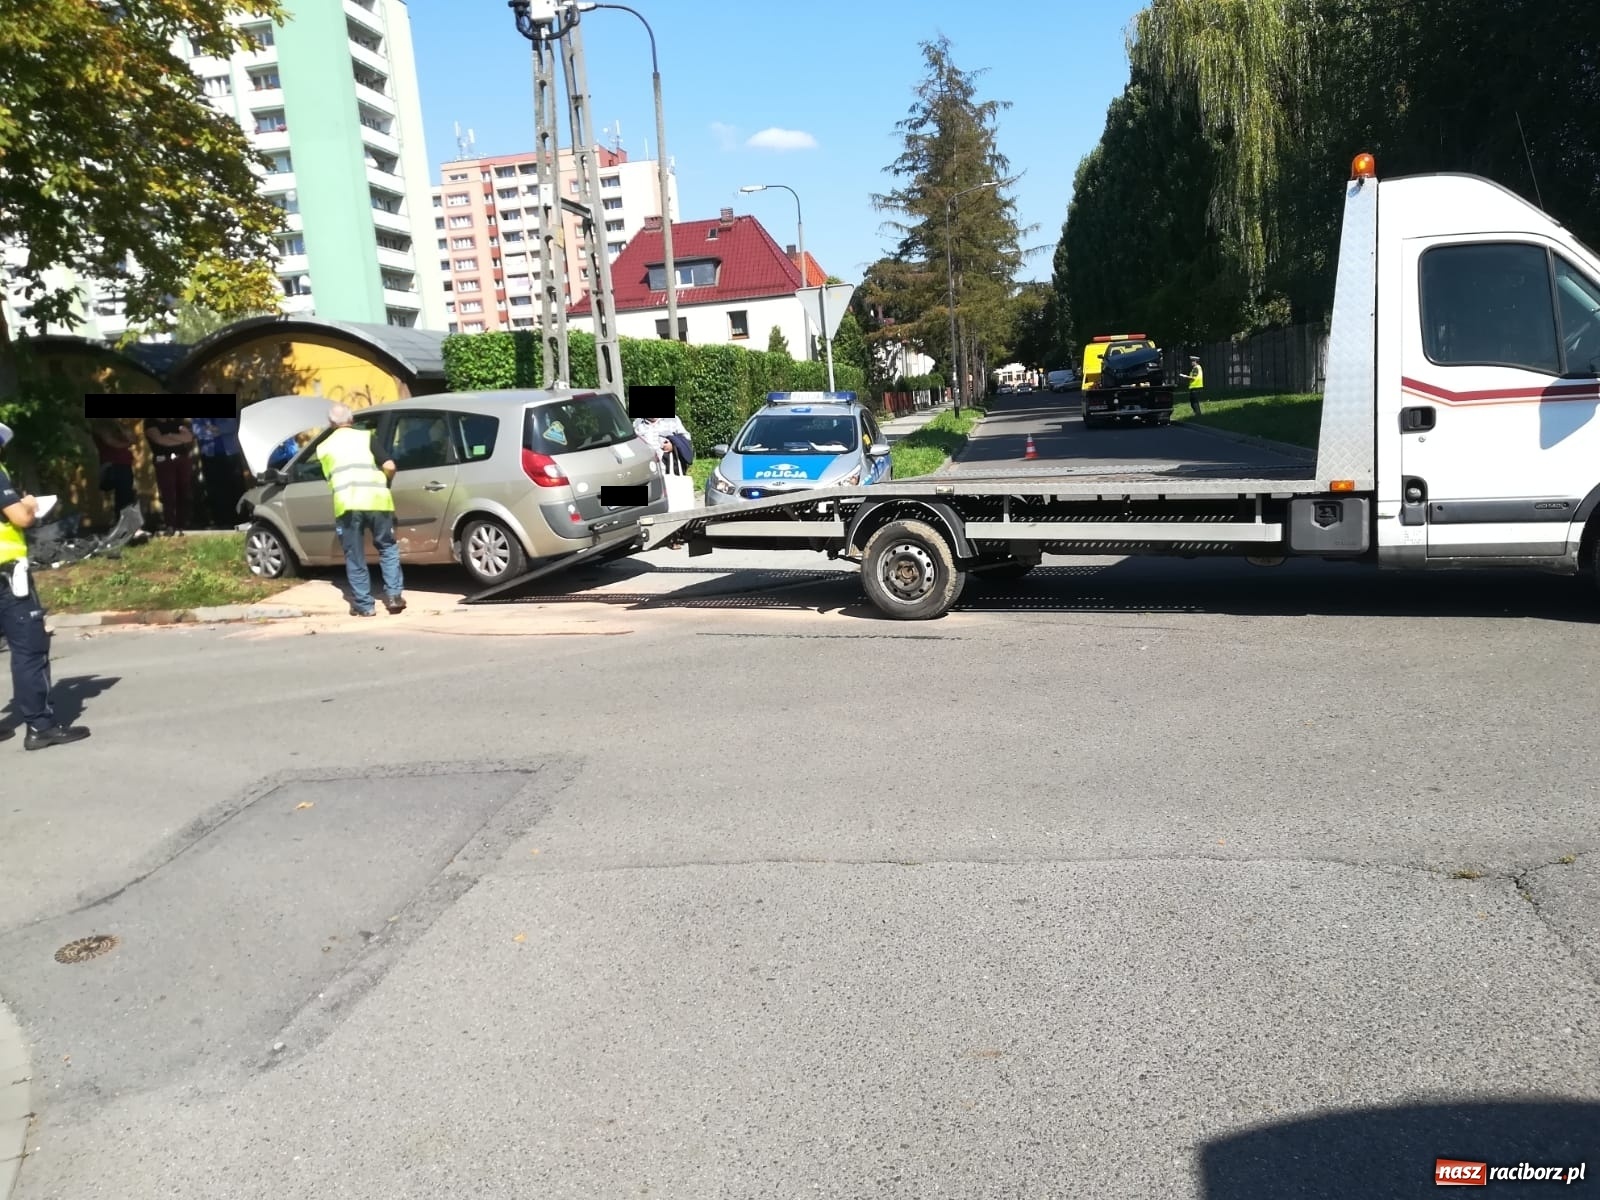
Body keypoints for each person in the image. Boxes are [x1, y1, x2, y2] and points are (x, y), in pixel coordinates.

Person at [0, 421, 91, 749]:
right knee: (29, 648)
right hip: (6, 576)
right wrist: (29, 505)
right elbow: (20, 519)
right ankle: (40, 726)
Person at [316, 404, 404, 617]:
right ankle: (394, 596)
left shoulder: (323, 447)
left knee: (355, 556)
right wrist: (384, 482)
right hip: (377, 501)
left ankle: (365, 606)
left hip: (347, 505)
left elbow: (329, 478)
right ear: (352, 419)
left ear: (331, 424)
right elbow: (390, 466)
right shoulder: (366, 437)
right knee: (387, 547)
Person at [144, 416, 196, 534]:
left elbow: (188, 437)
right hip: (164, 461)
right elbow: (160, 440)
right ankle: (170, 524)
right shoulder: (150, 422)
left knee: (183, 490)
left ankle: (183, 524)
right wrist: (178, 438)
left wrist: (170, 436)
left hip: (182, 459)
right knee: (168, 492)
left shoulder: (176, 421)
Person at [195, 415, 246, 528]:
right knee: (216, 489)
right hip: (210, 455)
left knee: (235, 486)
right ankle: (221, 520)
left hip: (230, 453)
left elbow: (232, 426)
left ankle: (240, 518)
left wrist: (214, 429)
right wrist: (218, 430)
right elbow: (197, 431)